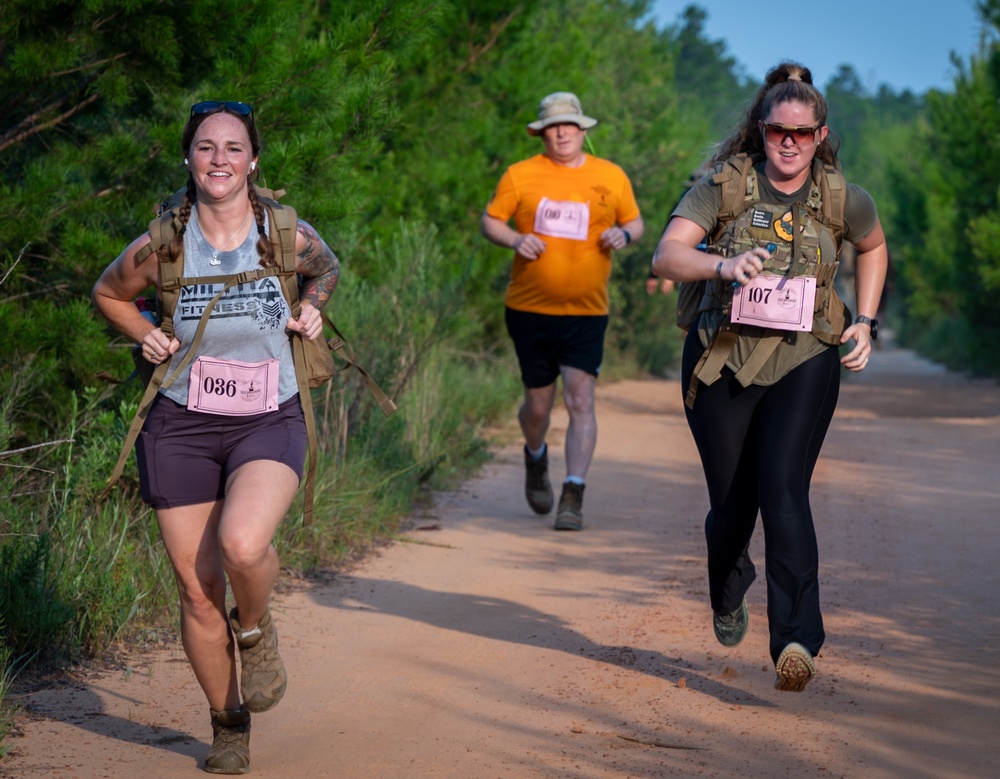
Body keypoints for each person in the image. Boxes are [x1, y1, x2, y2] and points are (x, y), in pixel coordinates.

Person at [93, 100, 340, 773]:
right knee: (197, 587)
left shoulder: (284, 233)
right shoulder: (163, 242)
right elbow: (109, 291)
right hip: (180, 421)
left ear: (253, 159)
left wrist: (312, 312)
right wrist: (144, 332)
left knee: (242, 541)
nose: (220, 159)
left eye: (233, 147)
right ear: (189, 158)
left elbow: (328, 270)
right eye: (206, 147)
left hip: (268, 414)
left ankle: (256, 630)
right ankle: (229, 724)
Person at [651, 63, 887, 691]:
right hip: (721, 356)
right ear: (762, 130)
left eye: (802, 134)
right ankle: (728, 591)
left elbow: (873, 245)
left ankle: (797, 640)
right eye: (779, 131)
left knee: (783, 490)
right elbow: (666, 254)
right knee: (732, 507)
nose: (790, 142)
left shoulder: (841, 196)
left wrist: (863, 319)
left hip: (805, 356)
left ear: (821, 135)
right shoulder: (725, 186)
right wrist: (721, 268)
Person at [480, 91, 644, 531]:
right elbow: (490, 220)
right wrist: (516, 240)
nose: (563, 132)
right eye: (554, 126)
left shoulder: (610, 176)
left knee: (580, 398)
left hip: (587, 312)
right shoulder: (521, 175)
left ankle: (573, 492)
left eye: (570, 124)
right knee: (537, 407)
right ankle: (535, 457)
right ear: (542, 132)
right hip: (529, 309)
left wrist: (622, 238)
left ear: (582, 129)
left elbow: (635, 223)